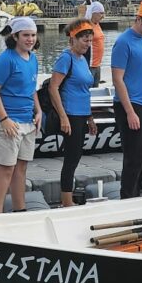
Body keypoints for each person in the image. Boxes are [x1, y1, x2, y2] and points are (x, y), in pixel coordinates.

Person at [0, 17, 42, 213]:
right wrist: (4, 119)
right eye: (26, 35)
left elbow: (31, 88)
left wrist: (39, 110)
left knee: (21, 168)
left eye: (33, 35)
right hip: (6, 121)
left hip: (28, 120)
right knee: (6, 168)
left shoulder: (33, 58)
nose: (30, 39)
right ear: (15, 36)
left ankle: (20, 210)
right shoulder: (5, 60)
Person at [112, 0, 142, 198]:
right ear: (138, 19)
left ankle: (136, 191)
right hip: (129, 104)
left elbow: (139, 75)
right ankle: (128, 196)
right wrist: (130, 112)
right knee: (135, 157)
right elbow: (117, 79)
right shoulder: (124, 42)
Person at [49, 19, 97, 207]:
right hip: (70, 115)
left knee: (76, 156)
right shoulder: (66, 58)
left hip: (81, 115)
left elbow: (84, 91)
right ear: (73, 40)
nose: (88, 44)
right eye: (85, 40)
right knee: (71, 157)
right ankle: (66, 201)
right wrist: (63, 117)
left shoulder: (83, 59)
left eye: (90, 40)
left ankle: (67, 199)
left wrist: (90, 118)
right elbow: (54, 88)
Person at [86, 1, 106, 86]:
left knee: (96, 88)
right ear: (93, 13)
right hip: (90, 64)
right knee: (89, 88)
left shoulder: (97, 24)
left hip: (98, 64)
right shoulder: (87, 25)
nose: (102, 16)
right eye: (100, 13)